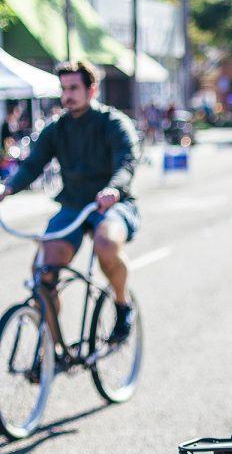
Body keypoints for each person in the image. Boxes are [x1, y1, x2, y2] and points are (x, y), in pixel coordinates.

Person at [0, 61, 139, 344]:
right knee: (43, 274)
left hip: (111, 204)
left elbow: (127, 161)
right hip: (73, 207)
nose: (67, 95)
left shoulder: (112, 123)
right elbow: (32, 165)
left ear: (92, 89)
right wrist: (8, 187)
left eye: (74, 88)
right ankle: (52, 350)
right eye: (63, 89)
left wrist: (113, 189)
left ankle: (123, 306)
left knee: (107, 244)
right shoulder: (57, 129)